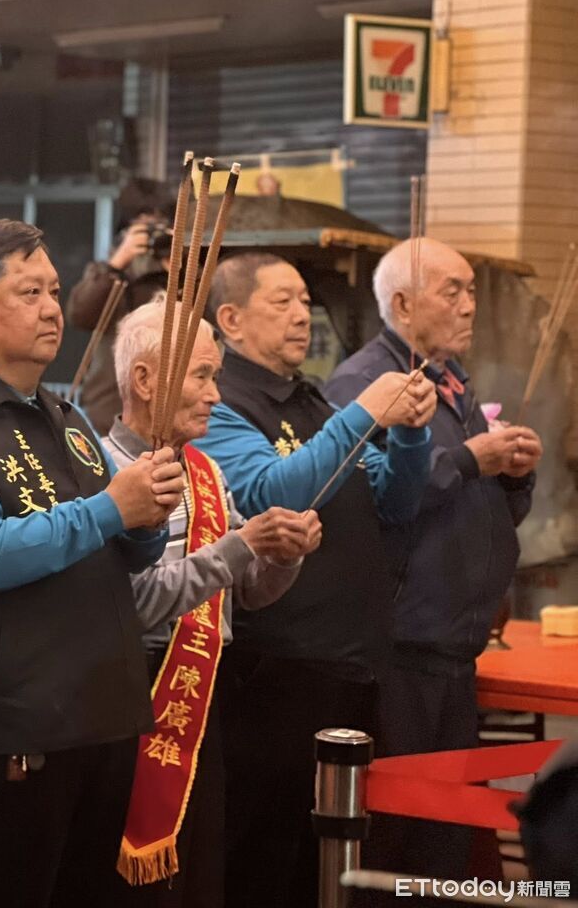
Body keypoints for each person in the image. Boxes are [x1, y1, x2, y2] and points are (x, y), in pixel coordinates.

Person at [0, 219, 186, 908]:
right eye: (28, 293)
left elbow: (118, 548)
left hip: (94, 721)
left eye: (53, 290)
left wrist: (146, 517)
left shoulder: (64, 414)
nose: (52, 309)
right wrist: (112, 509)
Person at [192, 251, 436, 908]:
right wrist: (363, 414)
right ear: (231, 320)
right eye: (282, 302)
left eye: (305, 301)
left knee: (329, 859)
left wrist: (410, 435)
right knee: (264, 857)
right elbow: (268, 493)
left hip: (351, 664)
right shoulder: (222, 404)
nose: (303, 315)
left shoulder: (312, 398)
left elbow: (392, 501)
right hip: (277, 671)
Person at [325, 238, 540, 883]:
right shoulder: (366, 383)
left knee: (445, 836)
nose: (470, 306)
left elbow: (478, 509)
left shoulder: (452, 381)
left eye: (471, 291)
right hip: (403, 649)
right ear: (402, 304)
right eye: (453, 291)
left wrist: (512, 475)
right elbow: (382, 498)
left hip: (455, 648)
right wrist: (473, 458)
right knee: (398, 837)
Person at [101, 300, 322, 908]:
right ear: (145, 381)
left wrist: (281, 554)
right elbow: (132, 604)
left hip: (205, 699)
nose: (216, 396)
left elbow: (244, 592)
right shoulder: (102, 471)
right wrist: (242, 545)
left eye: (215, 376)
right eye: (202, 376)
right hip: (133, 698)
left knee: (202, 876)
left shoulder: (205, 472)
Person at [66, 179, 175, 434]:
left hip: (166, 407)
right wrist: (116, 265)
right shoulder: (110, 274)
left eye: (159, 226)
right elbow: (79, 316)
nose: (152, 236)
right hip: (109, 406)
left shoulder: (180, 270)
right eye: (144, 227)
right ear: (125, 230)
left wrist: (178, 270)